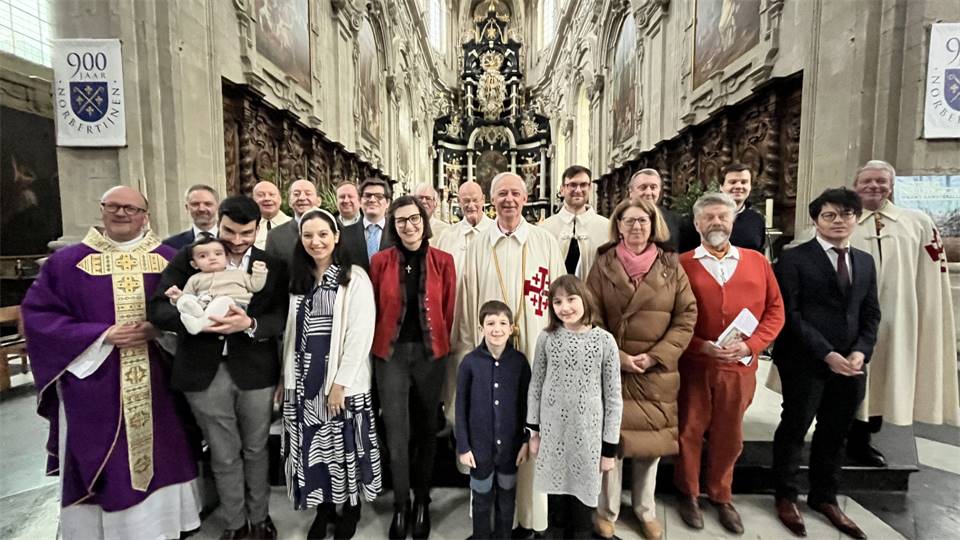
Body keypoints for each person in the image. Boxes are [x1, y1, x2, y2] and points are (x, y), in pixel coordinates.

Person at [22, 186, 201, 539]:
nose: (122, 214)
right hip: (96, 380)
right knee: (103, 455)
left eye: (131, 209)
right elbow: (39, 318)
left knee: (165, 449)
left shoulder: (169, 259)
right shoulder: (67, 264)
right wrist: (102, 335)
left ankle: (164, 526)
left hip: (158, 376)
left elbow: (192, 309)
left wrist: (158, 327)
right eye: (114, 206)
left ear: (145, 216)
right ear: (102, 210)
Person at [148, 195, 289, 539]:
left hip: (255, 370)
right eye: (229, 231)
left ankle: (260, 518)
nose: (237, 241)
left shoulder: (270, 264)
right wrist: (195, 321)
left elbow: (281, 314)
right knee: (224, 454)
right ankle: (235, 523)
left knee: (256, 449)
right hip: (204, 371)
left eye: (246, 233)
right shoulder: (193, 255)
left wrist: (250, 324)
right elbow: (158, 308)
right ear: (218, 222)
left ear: (258, 229)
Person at [452, 172, 565, 536]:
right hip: (488, 353)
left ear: (526, 197)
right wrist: (468, 352)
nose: (509, 199)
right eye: (502, 193)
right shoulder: (479, 245)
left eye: (516, 193)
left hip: (533, 350)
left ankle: (529, 518)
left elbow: (560, 302)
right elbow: (467, 303)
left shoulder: (545, 242)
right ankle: (489, 525)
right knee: (491, 430)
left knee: (529, 433)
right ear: (492, 199)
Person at [586, 197, 698, 540]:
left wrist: (657, 355)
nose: (636, 227)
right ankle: (607, 510)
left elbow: (686, 315)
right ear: (618, 226)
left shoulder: (670, 264)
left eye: (643, 221)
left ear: (653, 225)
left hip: (655, 370)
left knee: (650, 445)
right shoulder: (603, 263)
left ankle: (645, 509)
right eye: (629, 221)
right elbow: (591, 314)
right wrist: (616, 355)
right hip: (614, 366)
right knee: (611, 441)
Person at [772, 188, 880, 540]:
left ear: (856, 219)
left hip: (851, 363)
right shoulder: (794, 259)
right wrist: (827, 354)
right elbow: (790, 314)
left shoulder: (864, 261)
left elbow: (870, 312)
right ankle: (786, 495)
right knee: (795, 426)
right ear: (816, 220)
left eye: (846, 214)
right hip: (805, 359)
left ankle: (824, 496)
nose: (838, 221)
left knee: (836, 431)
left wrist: (860, 351)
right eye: (829, 215)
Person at [674, 192, 784, 535]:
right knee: (689, 429)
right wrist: (700, 346)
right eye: (708, 217)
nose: (716, 222)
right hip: (695, 363)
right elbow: (671, 317)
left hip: (738, 366)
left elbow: (775, 311)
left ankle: (721, 494)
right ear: (697, 224)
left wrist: (751, 345)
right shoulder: (681, 264)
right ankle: (689, 492)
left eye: (723, 216)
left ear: (733, 221)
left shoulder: (757, 262)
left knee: (730, 432)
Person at [845, 160, 960, 465]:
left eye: (881, 181)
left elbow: (931, 274)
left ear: (892, 186)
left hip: (899, 317)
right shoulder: (843, 219)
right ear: (855, 185)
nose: (874, 186)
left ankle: (864, 439)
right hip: (852, 319)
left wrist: (927, 313)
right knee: (849, 377)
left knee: (885, 375)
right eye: (867, 181)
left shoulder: (917, 222)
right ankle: (845, 435)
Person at [281, 209, 382, 540]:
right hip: (305, 383)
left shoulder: (353, 278)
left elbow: (360, 335)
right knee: (315, 449)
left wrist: (340, 384)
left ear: (336, 236)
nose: (316, 241)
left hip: (341, 383)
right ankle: (323, 509)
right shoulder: (300, 278)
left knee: (344, 447)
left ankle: (350, 508)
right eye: (308, 235)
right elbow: (291, 334)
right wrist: (285, 378)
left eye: (323, 234)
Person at [369, 196, 457, 539]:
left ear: (424, 221)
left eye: (415, 218)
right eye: (401, 220)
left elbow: (448, 309)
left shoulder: (443, 261)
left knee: (426, 429)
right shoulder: (379, 262)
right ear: (394, 225)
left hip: (429, 355)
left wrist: (437, 345)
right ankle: (401, 504)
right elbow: (375, 308)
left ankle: (422, 500)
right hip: (390, 355)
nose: (409, 225)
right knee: (396, 432)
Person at [526, 275, 622, 539]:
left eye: (571, 299)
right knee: (556, 515)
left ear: (584, 299)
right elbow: (536, 386)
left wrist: (608, 450)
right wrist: (533, 433)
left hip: (587, 443)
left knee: (581, 519)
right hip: (553, 438)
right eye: (557, 302)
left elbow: (614, 399)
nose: (565, 307)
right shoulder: (547, 338)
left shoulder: (605, 341)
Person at [456, 300, 531, 540]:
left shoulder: (520, 363)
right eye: (490, 323)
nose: (496, 329)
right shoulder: (469, 363)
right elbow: (460, 408)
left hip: (510, 450)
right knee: (481, 501)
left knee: (507, 501)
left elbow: (527, 407)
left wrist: (525, 442)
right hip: (479, 451)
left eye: (502, 323)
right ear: (481, 328)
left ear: (511, 328)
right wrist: (463, 447)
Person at [164, 236, 268, 334]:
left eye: (218, 254)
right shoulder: (194, 279)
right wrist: (178, 297)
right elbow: (189, 295)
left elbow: (255, 286)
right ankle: (198, 316)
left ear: (227, 258)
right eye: (203, 256)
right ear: (194, 264)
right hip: (204, 305)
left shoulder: (239, 274)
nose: (212, 258)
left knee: (224, 301)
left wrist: (259, 272)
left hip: (233, 306)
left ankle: (198, 324)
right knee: (186, 299)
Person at [541, 165, 610, 279]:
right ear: (562, 189)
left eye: (583, 185)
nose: (578, 190)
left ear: (590, 188)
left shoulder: (606, 227)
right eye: (572, 185)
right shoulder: (545, 228)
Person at [434, 180, 494, 272]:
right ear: (459, 201)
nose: (471, 205)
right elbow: (438, 271)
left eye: (475, 200)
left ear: (483, 199)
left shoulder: (496, 231)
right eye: (466, 201)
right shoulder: (447, 236)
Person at [339, 177, 392, 272]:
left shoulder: (397, 232)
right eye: (367, 195)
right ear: (359, 201)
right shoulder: (344, 234)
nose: (372, 200)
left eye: (379, 196)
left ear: (388, 202)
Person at [626, 169, 687, 251]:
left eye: (653, 187)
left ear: (659, 190)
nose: (648, 193)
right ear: (631, 191)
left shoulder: (675, 220)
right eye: (643, 188)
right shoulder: (620, 218)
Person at [265, 179, 320, 265]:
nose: (302, 198)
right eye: (296, 194)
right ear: (289, 202)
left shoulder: (333, 230)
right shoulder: (275, 236)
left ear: (319, 201)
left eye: (308, 193)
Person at [719, 163, 766, 252]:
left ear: (750, 187)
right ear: (721, 187)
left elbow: (759, 253)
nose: (738, 186)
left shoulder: (756, 219)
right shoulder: (706, 217)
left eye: (744, 182)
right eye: (733, 182)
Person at [163, 184, 219, 250]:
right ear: (187, 208)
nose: (201, 209)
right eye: (195, 204)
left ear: (217, 207)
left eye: (208, 204)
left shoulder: (228, 240)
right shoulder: (170, 245)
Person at [253, 180, 292, 250]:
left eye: (272, 195)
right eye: (261, 195)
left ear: (280, 200)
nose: (267, 198)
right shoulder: (248, 227)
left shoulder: (293, 225)